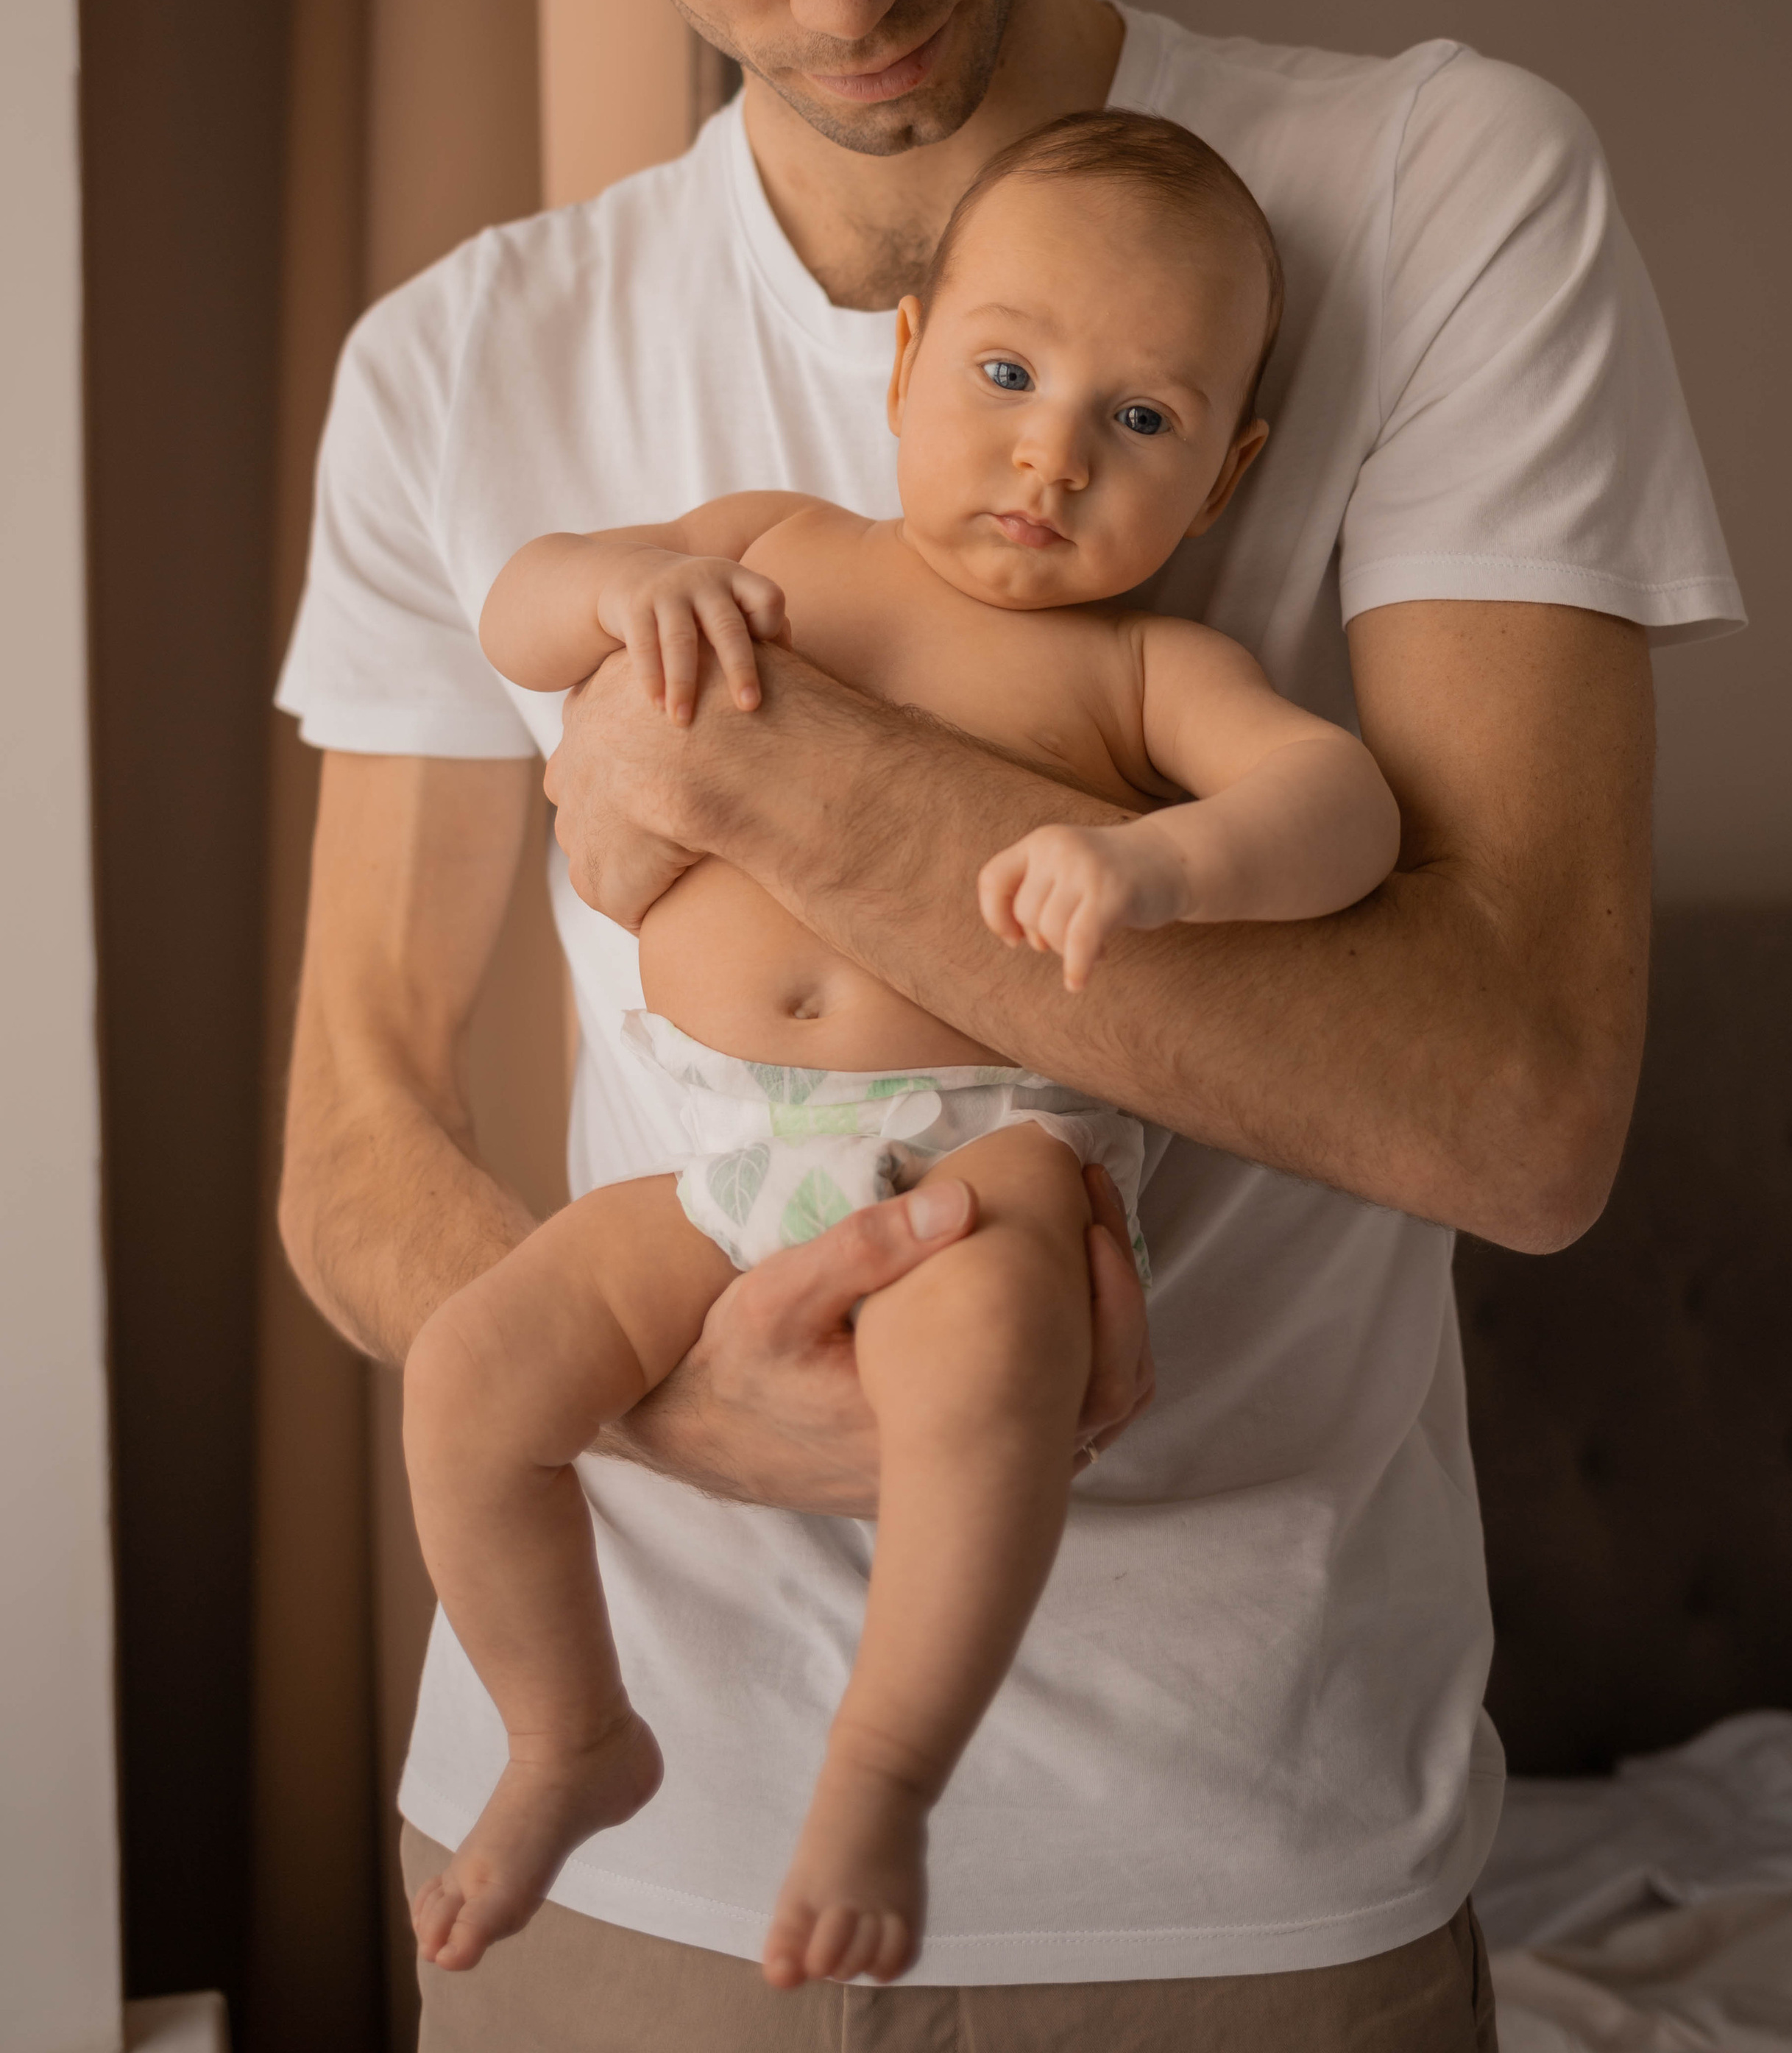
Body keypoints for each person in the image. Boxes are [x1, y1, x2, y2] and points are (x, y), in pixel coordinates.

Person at [275, 0, 1742, 2048]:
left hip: (1242, 1869)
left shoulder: (1422, 211)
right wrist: (685, 1402)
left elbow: (1527, 1108)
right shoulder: (465, 368)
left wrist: (744, 761)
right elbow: (355, 1131)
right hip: (617, 1880)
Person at [402, 113, 1403, 1991]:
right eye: (1008, 375)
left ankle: (880, 1774)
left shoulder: (1134, 674)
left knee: (986, 1361)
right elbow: (516, 604)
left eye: (1139, 421)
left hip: (984, 1153)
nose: (1048, 453)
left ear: (1225, 476)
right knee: (472, 1370)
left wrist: (1162, 861)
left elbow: (1333, 803)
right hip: (722, 1156)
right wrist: (622, 594)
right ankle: (567, 1734)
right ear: (905, 358)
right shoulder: (775, 551)